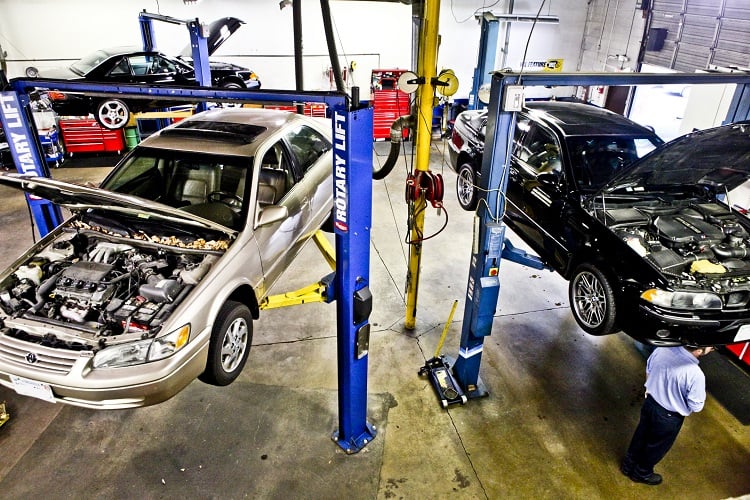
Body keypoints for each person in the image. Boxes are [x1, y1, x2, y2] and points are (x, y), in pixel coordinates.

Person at [620, 345, 714, 485]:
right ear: (699, 350)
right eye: (710, 347)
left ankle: (627, 466)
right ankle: (641, 474)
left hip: (650, 403)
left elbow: (649, 369)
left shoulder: (662, 350)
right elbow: (696, 406)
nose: (712, 348)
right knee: (656, 446)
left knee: (641, 434)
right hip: (668, 416)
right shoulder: (696, 374)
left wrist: (652, 389)